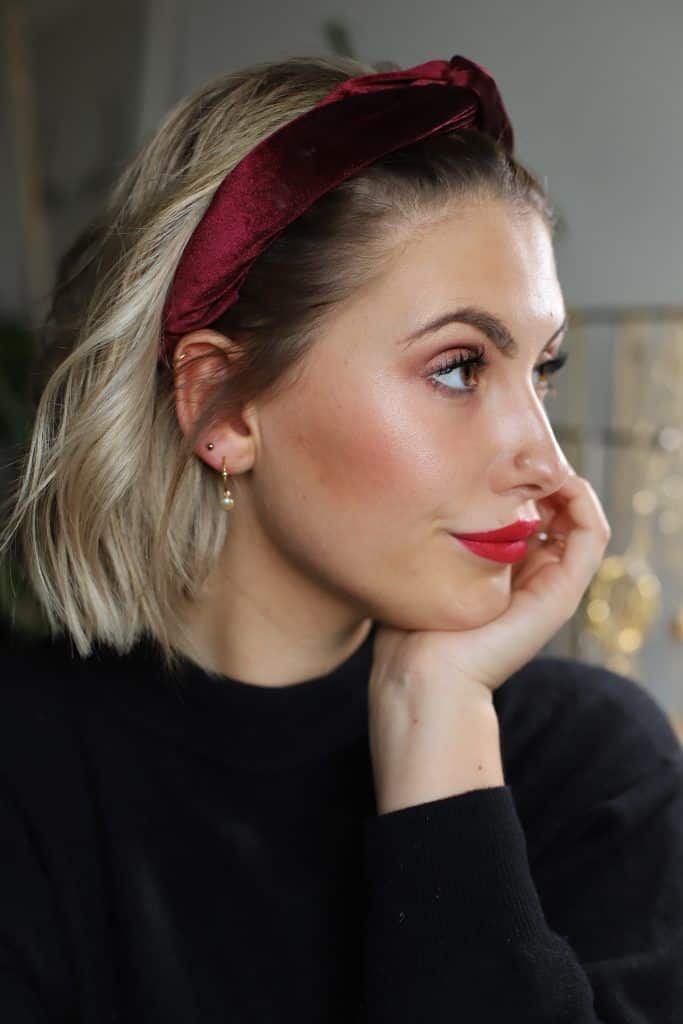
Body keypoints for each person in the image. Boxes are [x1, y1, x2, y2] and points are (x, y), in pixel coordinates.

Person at [0, 52, 681, 1024]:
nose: (544, 458)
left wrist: (434, 718)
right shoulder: (28, 769)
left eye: (543, 369)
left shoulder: (594, 768)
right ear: (222, 406)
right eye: (458, 368)